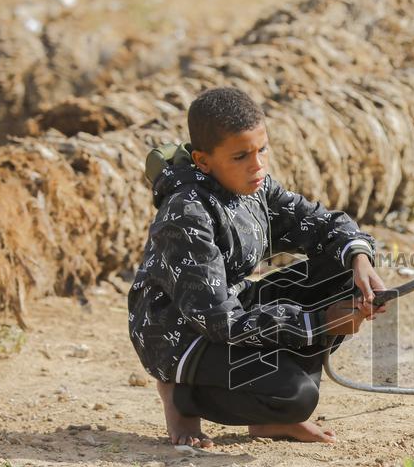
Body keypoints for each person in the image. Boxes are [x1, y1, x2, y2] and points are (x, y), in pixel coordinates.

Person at [127, 87, 386, 447]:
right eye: (241, 156)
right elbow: (219, 321)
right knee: (295, 397)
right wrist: (320, 322)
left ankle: (268, 419)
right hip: (181, 335)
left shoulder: (255, 188)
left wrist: (360, 260)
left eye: (262, 149)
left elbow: (322, 224)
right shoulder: (187, 214)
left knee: (343, 271)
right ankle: (182, 396)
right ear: (203, 161)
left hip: (230, 305)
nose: (258, 165)